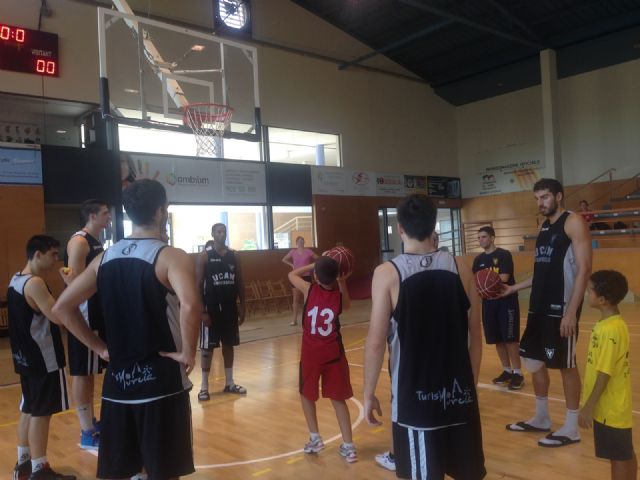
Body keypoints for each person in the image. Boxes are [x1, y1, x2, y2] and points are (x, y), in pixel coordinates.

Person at [53, 179, 201, 480]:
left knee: (128, 471)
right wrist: (188, 352)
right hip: (160, 382)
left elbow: (61, 309)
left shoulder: (104, 258)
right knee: (163, 471)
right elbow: (191, 306)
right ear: (161, 212)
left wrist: (99, 347)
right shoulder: (170, 256)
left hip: (117, 385)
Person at [364, 194, 485, 480]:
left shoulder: (388, 273)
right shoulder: (461, 268)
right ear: (434, 226)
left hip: (415, 405)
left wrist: (368, 394)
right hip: (460, 399)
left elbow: (375, 343)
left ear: (400, 228)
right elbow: (476, 336)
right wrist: (471, 387)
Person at [503, 178, 592, 448]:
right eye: (537, 198)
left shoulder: (573, 222)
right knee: (533, 361)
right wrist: (513, 288)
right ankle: (542, 418)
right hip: (537, 308)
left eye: (544, 197)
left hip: (560, 309)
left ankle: (571, 427)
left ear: (559, 196)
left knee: (565, 365)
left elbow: (585, 269)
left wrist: (571, 312)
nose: (540, 202)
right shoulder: (543, 227)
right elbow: (541, 271)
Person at [8, 235, 75, 480]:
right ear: (38, 254)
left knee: (28, 409)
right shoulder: (35, 283)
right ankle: (39, 469)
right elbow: (58, 316)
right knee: (41, 413)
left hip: (24, 358)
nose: (57, 259)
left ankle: (24, 464)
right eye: (53, 254)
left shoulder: (15, 279)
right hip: (43, 358)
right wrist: (70, 285)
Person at [288, 256, 357, 463]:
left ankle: (315, 438)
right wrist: (342, 280)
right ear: (336, 276)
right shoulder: (338, 296)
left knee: (306, 395)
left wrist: (312, 266)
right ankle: (349, 446)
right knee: (338, 399)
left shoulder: (310, 290)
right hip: (333, 354)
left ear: (316, 276)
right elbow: (348, 305)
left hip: (311, 355)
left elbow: (291, 274)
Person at [579, 270, 636, 480]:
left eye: (590, 291)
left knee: (618, 457)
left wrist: (588, 406)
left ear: (602, 300)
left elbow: (605, 373)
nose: (587, 294)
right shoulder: (608, 324)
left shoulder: (611, 329)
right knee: (624, 451)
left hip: (611, 407)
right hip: (610, 406)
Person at [64, 199, 111, 449]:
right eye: (105, 213)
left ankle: (90, 422)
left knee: (91, 372)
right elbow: (74, 284)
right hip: (84, 316)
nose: (109, 217)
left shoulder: (95, 242)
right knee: (82, 372)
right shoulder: (80, 242)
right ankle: (86, 431)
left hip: (95, 314)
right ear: (92, 216)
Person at [195, 223, 247, 400]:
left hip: (230, 309)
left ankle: (230, 382)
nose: (221, 234)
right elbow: (197, 286)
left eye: (224, 231)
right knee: (207, 350)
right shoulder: (204, 257)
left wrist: (243, 305)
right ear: (212, 234)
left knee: (229, 345)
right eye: (218, 231)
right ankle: (204, 387)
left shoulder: (234, 256)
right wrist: (202, 312)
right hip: (211, 310)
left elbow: (240, 282)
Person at [472, 226, 523, 390]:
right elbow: (476, 282)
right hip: (488, 304)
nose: (481, 240)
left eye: (484, 237)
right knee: (497, 339)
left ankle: (518, 373)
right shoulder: (478, 260)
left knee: (510, 339)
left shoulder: (503, 255)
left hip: (506, 302)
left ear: (492, 238)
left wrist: (485, 281)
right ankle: (507, 370)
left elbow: (504, 277)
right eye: (479, 237)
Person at [282, 236, 318, 326]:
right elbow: (284, 259)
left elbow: (318, 258)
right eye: (299, 241)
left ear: (304, 242)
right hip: (296, 276)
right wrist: (292, 265)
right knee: (295, 299)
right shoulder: (293, 252)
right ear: (296, 242)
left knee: (309, 298)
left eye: (302, 240)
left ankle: (309, 319)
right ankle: (294, 320)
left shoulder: (308, 251)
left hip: (307, 276)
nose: (301, 242)